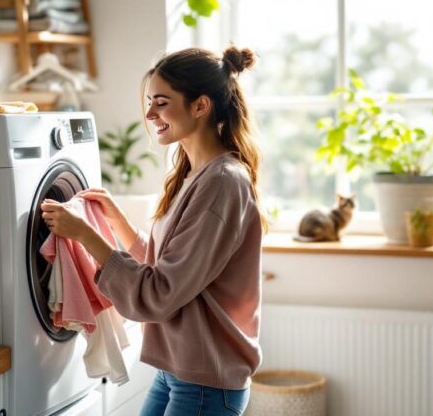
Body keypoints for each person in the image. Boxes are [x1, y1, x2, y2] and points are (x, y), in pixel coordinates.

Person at [40, 46, 265, 415]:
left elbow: (161, 294)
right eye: (150, 102)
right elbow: (175, 269)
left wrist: (87, 236)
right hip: (180, 368)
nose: (149, 114)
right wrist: (118, 223)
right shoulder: (193, 174)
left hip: (206, 381)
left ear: (200, 106)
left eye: (161, 102)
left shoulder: (222, 183)